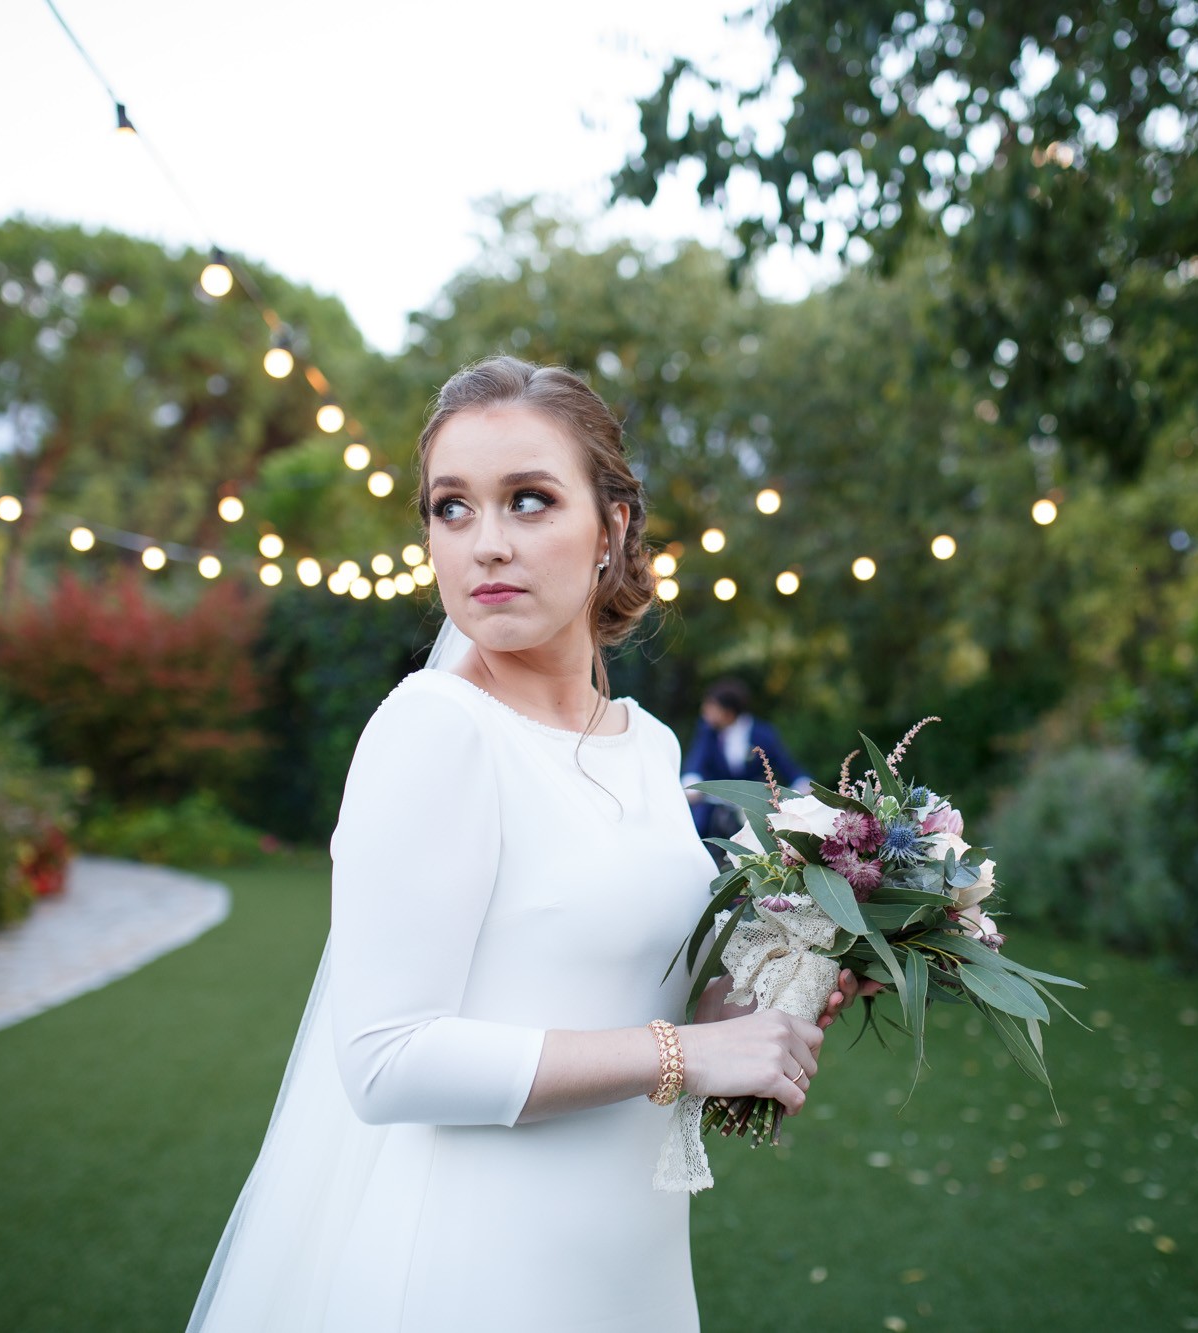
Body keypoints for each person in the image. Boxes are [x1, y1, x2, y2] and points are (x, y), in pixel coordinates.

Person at [186, 357, 875, 1332]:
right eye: (451, 508)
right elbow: (387, 1060)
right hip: (473, 1268)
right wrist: (684, 1051)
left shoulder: (647, 744)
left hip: (626, 1260)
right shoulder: (435, 728)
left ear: (613, 527)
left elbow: (634, 995)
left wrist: (784, 983)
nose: (485, 544)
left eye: (528, 500)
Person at [681, 678, 811, 839]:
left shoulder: (763, 734)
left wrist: (802, 784)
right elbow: (696, 762)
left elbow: (787, 765)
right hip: (717, 806)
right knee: (697, 826)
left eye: (710, 706)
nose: (704, 710)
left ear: (727, 711)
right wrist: (691, 783)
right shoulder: (708, 732)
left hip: (754, 806)